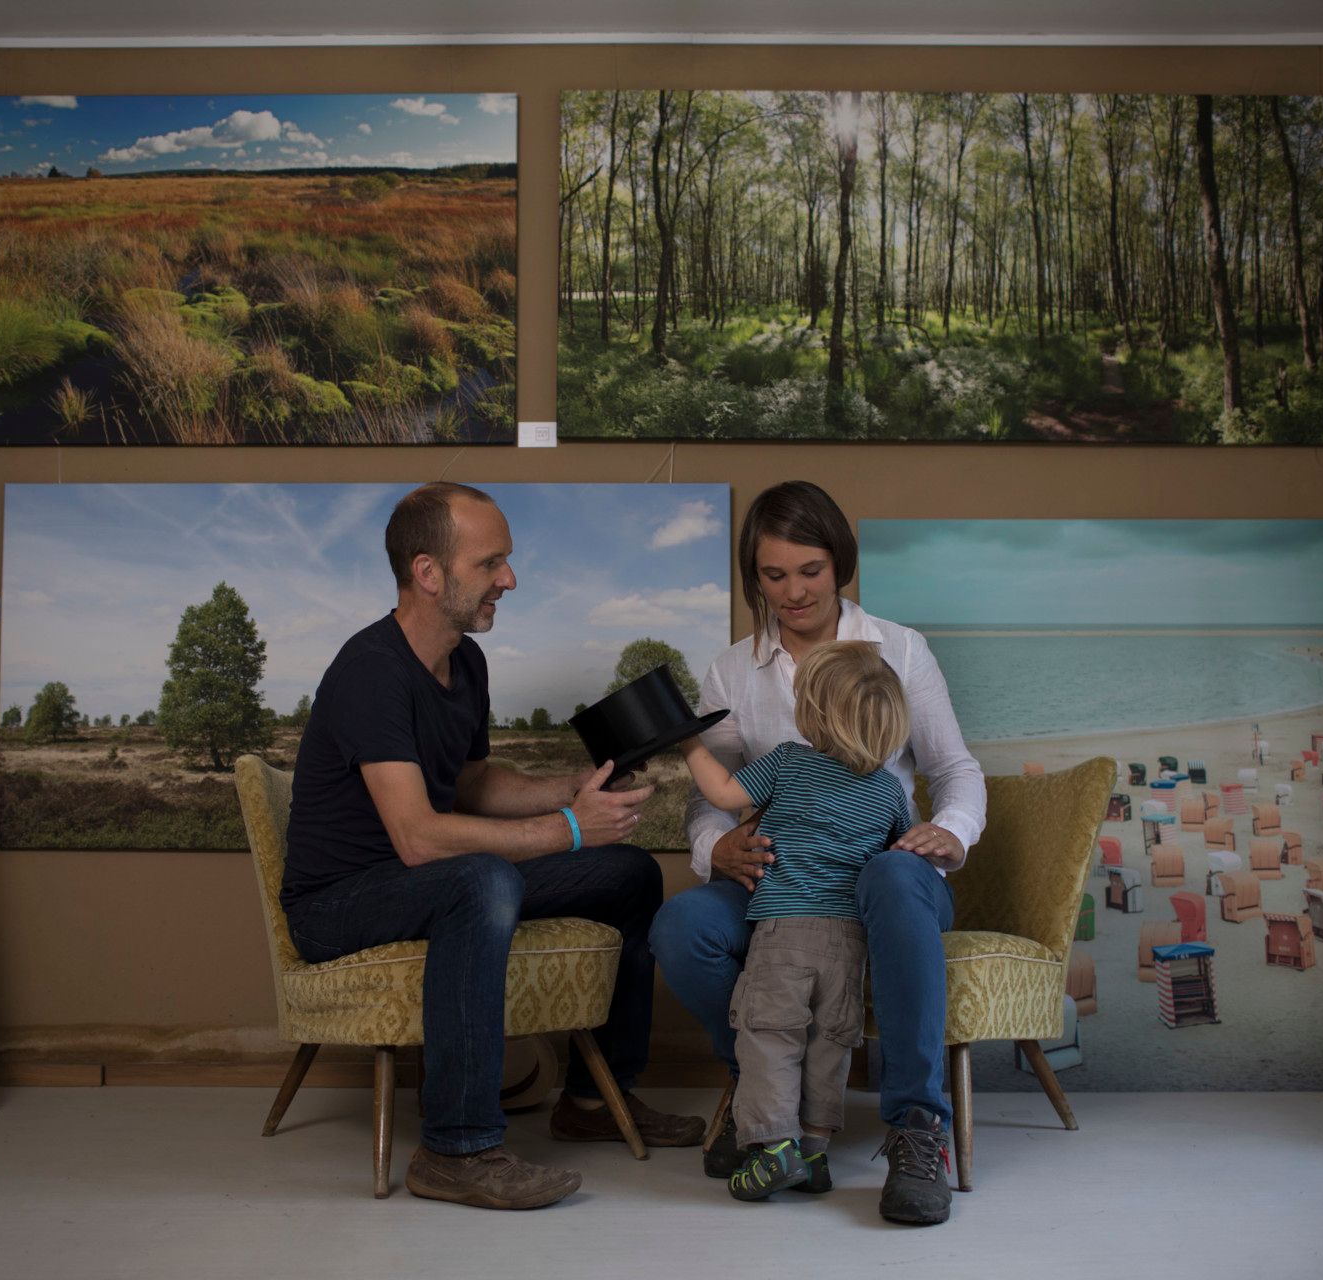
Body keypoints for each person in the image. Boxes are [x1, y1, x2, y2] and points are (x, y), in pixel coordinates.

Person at [281, 482, 705, 1211]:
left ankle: (593, 1104)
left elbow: (471, 782)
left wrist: (568, 790)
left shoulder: (465, 664)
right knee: (483, 880)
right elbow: (417, 836)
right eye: (491, 564)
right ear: (428, 572)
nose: (509, 580)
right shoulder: (370, 671)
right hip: (340, 902)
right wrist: (568, 831)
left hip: (423, 883)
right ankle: (456, 1148)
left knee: (630, 874)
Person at [649, 480, 987, 1227]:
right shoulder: (733, 670)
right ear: (753, 577)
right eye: (774, 576)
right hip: (784, 879)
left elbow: (955, 769)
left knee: (896, 876)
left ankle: (915, 1128)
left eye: (810, 571)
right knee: (681, 928)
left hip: (887, 878)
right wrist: (718, 847)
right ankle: (762, 1087)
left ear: (840, 564)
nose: (794, 592)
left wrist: (951, 831)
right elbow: (715, 795)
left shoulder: (899, 649)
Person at [677, 640, 910, 1201]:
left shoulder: (788, 761)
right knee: (830, 1044)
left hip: (784, 932)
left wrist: (686, 741)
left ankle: (775, 1147)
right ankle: (815, 1154)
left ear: (816, 714)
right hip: (849, 944)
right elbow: (897, 859)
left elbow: (721, 791)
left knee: (768, 1038)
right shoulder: (889, 791)